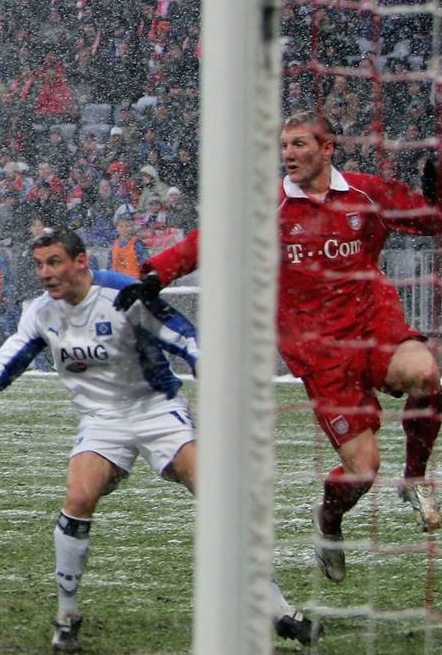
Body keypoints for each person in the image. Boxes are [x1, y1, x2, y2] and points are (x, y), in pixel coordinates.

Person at [114, 111, 442, 584]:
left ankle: (415, 480)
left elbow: (428, 220)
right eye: (284, 146)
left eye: (299, 145)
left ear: (327, 149)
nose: (288, 154)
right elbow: (209, 241)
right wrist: (155, 274)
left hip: (374, 325)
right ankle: (328, 521)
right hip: (319, 352)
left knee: (427, 373)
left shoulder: (366, 192)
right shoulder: (267, 205)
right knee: (363, 471)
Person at [0, 229, 321, 651]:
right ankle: (67, 616)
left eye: (54, 262)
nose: (46, 273)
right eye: (40, 265)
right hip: (101, 421)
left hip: (156, 408)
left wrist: (203, 362)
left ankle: (278, 609)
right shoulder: (42, 312)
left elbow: (183, 333)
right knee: (79, 497)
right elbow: (17, 349)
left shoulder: (121, 296)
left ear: (81, 261)